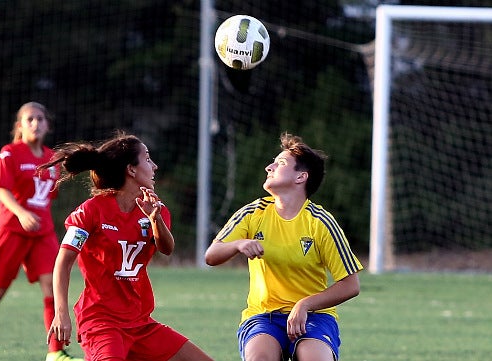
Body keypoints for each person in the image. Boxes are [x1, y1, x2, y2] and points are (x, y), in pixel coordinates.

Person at [40, 131, 214, 361]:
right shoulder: (90, 211)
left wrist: (155, 219)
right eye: (148, 159)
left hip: (141, 323)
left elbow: (167, 248)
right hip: (102, 324)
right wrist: (61, 312)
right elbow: (63, 261)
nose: (155, 166)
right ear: (131, 169)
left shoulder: (156, 209)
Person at [204, 132, 363, 361]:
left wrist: (305, 305)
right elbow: (211, 255)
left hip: (315, 317)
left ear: (301, 177)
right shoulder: (253, 212)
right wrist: (238, 244)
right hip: (263, 317)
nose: (269, 167)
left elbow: (350, 285)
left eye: (280, 163)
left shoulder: (321, 222)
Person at [0, 102, 83, 361]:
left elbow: (48, 196)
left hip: (42, 232)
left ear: (47, 125)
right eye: (29, 119)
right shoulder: (9, 153)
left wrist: (34, 215)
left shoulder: (52, 159)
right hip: (11, 228)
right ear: (20, 125)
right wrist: (22, 213)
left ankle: (55, 352)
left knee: (52, 287)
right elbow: (2, 190)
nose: (35, 123)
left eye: (40, 119)